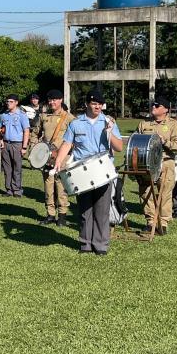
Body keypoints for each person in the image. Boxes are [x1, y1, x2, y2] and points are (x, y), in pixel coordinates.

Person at [54, 90, 123, 255]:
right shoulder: (76, 123)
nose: (97, 106)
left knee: (102, 210)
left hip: (102, 171)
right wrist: (58, 161)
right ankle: (85, 244)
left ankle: (100, 245)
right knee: (85, 210)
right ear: (87, 104)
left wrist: (110, 131)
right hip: (82, 173)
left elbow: (119, 147)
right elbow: (67, 144)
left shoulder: (108, 121)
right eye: (94, 103)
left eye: (100, 103)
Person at [136, 96, 177, 235]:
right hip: (146, 163)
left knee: (164, 194)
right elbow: (135, 142)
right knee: (146, 192)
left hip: (165, 162)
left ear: (165, 110)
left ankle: (162, 223)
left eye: (157, 106)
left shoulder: (173, 125)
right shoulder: (144, 124)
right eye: (153, 105)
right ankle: (151, 222)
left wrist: (165, 142)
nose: (153, 107)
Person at [35, 90, 71, 226]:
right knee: (48, 185)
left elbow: (75, 139)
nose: (52, 102)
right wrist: (35, 149)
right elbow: (35, 133)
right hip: (46, 156)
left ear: (61, 100)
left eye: (55, 100)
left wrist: (63, 151)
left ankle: (62, 215)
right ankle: (50, 213)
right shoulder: (44, 116)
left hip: (62, 157)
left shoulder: (68, 118)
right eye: (50, 100)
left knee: (61, 186)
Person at [0, 94, 30, 197]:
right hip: (6, 143)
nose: (8, 103)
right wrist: (0, 140)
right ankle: (8, 189)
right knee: (7, 168)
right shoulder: (3, 115)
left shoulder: (22, 115)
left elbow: (26, 131)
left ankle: (17, 189)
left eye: (11, 102)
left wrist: (24, 147)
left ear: (16, 102)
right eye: (7, 101)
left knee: (17, 168)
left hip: (17, 144)